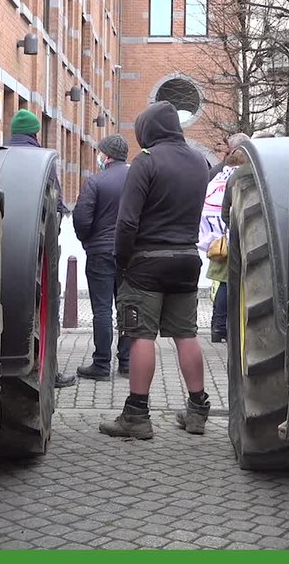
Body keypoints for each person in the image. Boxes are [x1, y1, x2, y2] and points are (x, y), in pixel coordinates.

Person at [100, 101, 211, 439]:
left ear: (147, 130)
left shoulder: (145, 163)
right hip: (187, 261)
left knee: (141, 336)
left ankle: (137, 415)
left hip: (148, 262)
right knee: (186, 334)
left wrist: (122, 260)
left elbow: (127, 221)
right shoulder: (200, 162)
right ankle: (197, 411)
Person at [6, 109, 76, 388]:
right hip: (36, 254)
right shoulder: (41, 163)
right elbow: (56, 205)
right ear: (35, 134)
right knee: (44, 313)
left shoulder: (0, 155)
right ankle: (49, 372)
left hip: (3, 249)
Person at [72, 135, 134, 381]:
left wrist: (88, 241)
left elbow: (82, 218)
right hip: (129, 254)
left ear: (106, 156)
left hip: (100, 252)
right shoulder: (138, 180)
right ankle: (127, 362)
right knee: (128, 307)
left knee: (102, 309)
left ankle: (101, 364)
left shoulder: (95, 182)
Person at [200, 142, 248, 343]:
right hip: (233, 240)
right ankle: (222, 327)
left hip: (216, 240)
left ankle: (217, 327)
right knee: (228, 285)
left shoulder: (215, 179)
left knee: (222, 284)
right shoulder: (240, 180)